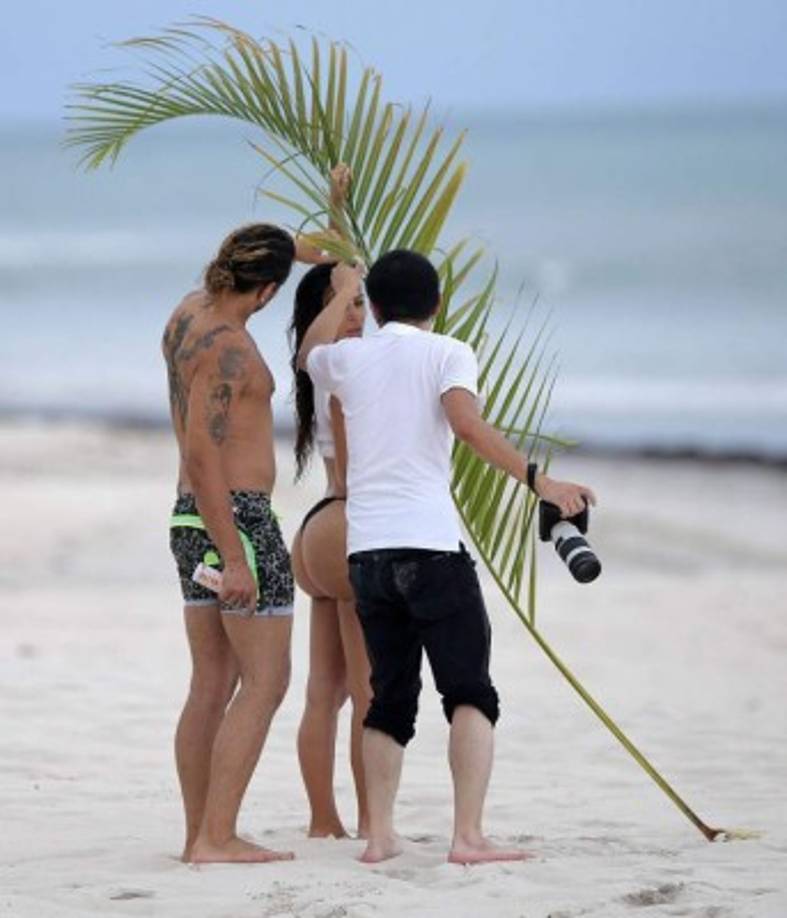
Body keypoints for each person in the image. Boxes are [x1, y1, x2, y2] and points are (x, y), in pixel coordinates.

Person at [297, 249, 596, 865]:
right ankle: (468, 837)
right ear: (437, 305)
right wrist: (540, 482)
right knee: (469, 693)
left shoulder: (348, 358)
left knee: (389, 699)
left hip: (369, 556)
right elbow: (466, 426)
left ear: (374, 309)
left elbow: (308, 355)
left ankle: (379, 837)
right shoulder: (449, 352)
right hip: (431, 549)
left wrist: (343, 288)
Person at [164, 222, 326, 864]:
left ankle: (197, 835)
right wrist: (234, 555)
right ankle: (218, 836)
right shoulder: (229, 348)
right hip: (236, 520)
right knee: (267, 679)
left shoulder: (189, 313)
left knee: (211, 680)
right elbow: (204, 454)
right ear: (268, 291)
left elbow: (268, 246)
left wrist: (323, 226)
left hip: (186, 518)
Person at [289, 254, 372, 838]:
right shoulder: (342, 369)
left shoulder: (324, 372)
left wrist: (339, 211)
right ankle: (371, 820)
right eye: (346, 306)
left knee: (325, 691)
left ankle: (324, 822)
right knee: (368, 691)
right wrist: (345, 286)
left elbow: (347, 261)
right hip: (348, 525)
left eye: (364, 303)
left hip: (316, 533)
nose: (357, 314)